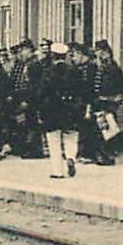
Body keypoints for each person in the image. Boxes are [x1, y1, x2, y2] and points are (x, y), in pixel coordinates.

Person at [39, 42, 85, 177]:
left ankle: (57, 171)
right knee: (71, 136)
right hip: (71, 110)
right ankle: (70, 157)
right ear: (65, 56)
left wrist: (41, 110)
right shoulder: (75, 71)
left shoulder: (48, 72)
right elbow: (82, 92)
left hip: (52, 110)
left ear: (53, 56)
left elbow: (41, 93)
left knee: (54, 141)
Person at [87, 40, 123, 165]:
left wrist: (116, 98)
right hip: (100, 103)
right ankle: (102, 154)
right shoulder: (102, 66)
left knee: (109, 130)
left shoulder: (113, 68)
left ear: (106, 52)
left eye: (100, 51)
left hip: (109, 103)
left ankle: (107, 155)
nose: (98, 54)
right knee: (101, 129)